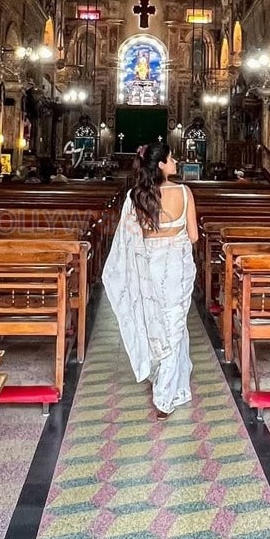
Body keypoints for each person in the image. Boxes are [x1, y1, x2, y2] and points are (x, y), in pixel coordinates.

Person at [103, 142, 198, 420]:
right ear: (161, 164)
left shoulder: (136, 196)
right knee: (175, 324)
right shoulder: (184, 192)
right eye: (172, 158)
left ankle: (161, 377)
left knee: (153, 321)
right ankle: (165, 397)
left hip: (149, 269)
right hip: (176, 269)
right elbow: (193, 236)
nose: (176, 161)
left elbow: (130, 239)